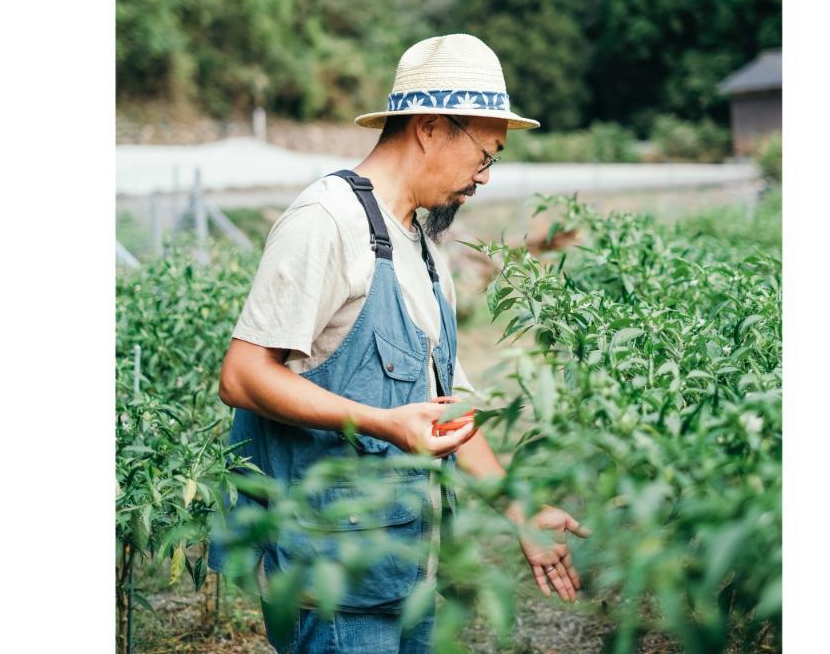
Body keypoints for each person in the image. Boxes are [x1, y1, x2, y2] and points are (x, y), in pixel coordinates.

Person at [210, 33, 589, 653]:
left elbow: (449, 407)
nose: (483, 178)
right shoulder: (327, 221)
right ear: (433, 128)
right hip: (333, 579)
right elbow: (243, 376)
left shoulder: (420, 243)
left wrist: (519, 512)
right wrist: (381, 423)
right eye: (486, 155)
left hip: (405, 568)